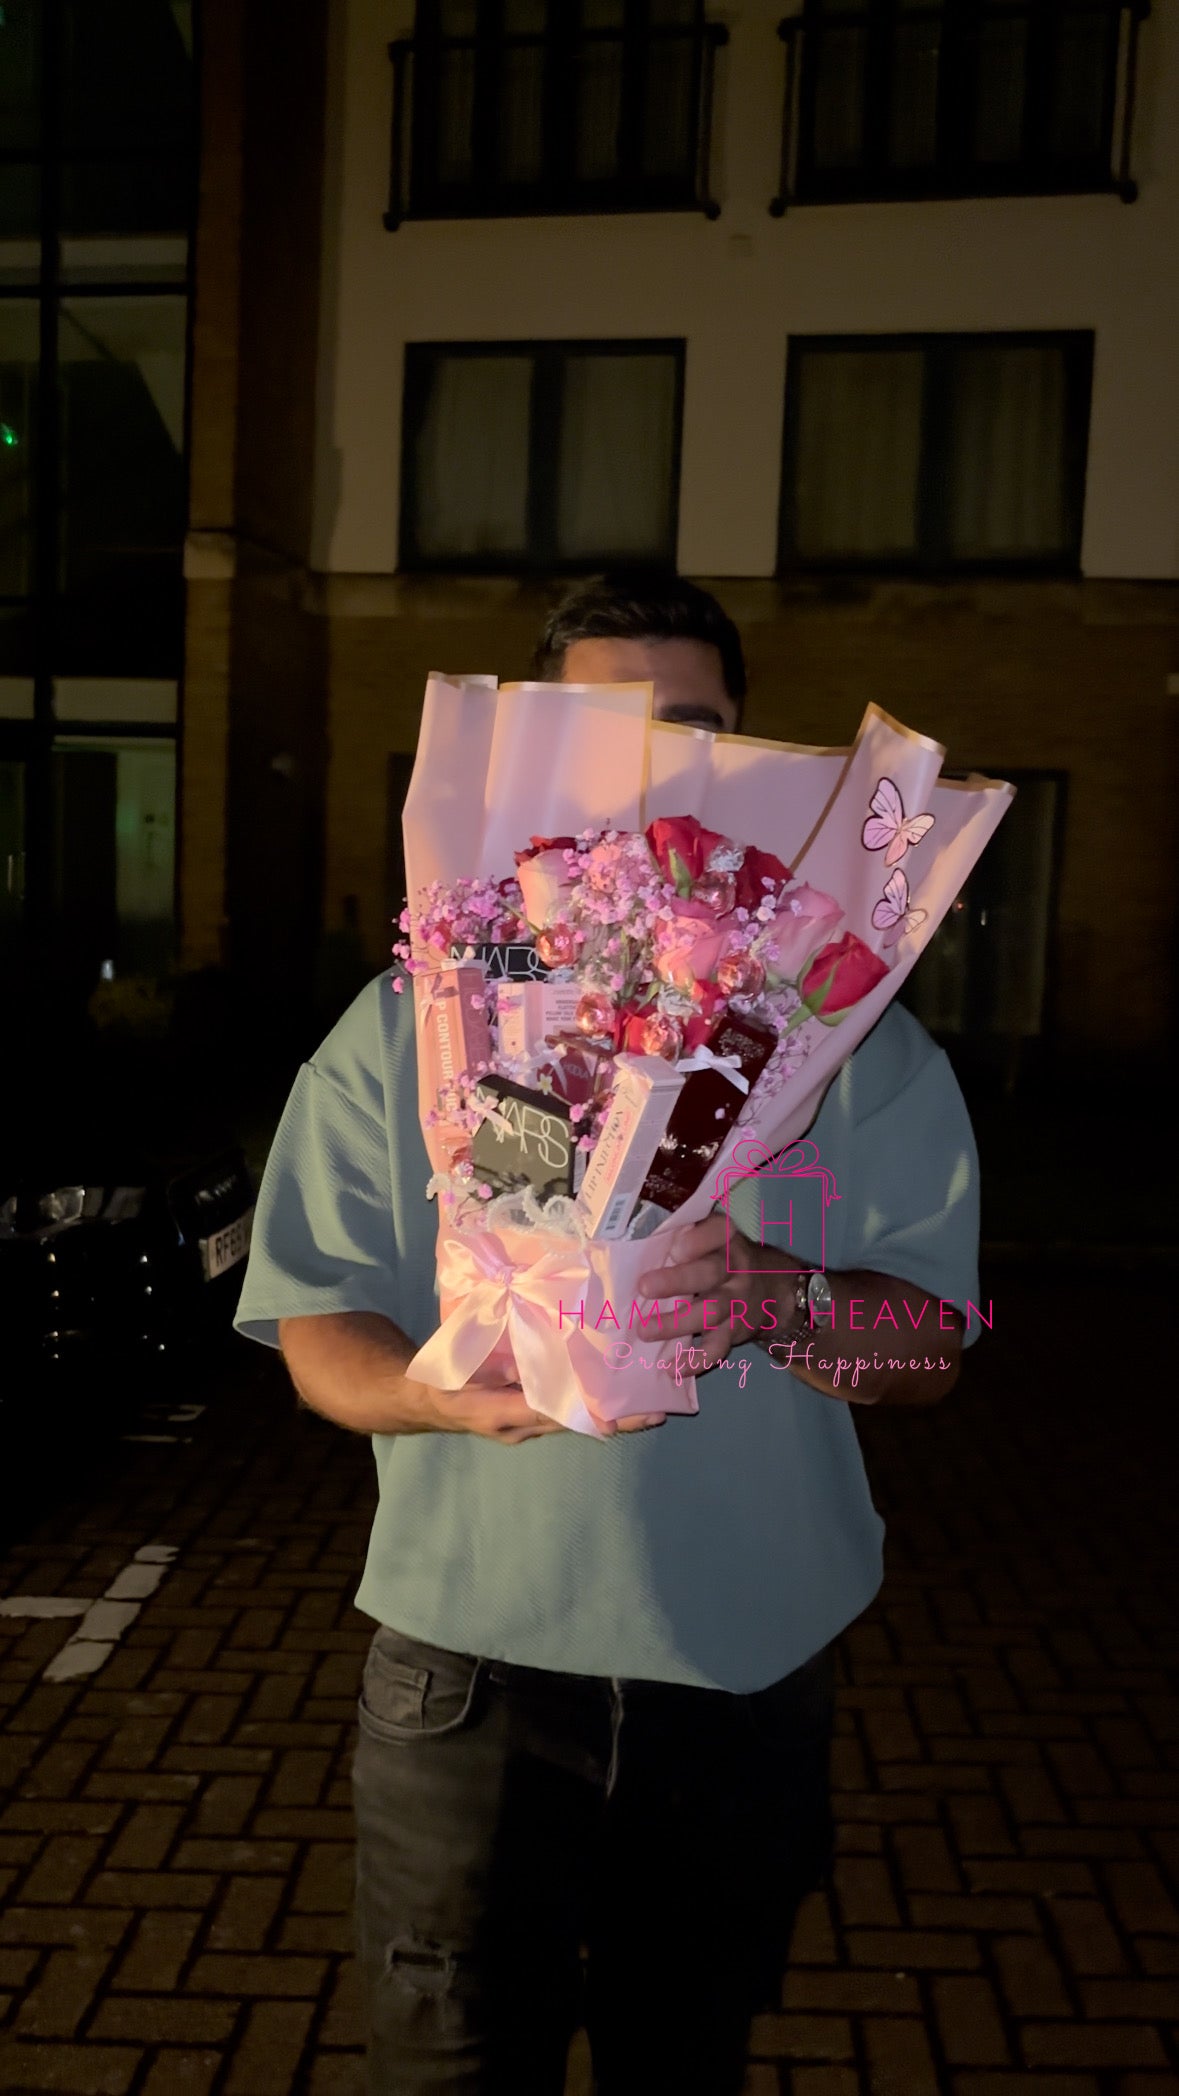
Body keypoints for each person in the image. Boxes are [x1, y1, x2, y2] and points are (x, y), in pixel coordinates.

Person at [234, 571, 981, 2096]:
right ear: (531, 753)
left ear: (747, 753)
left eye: (691, 730)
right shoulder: (417, 1017)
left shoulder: (851, 1034)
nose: (651, 770)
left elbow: (930, 1356)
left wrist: (774, 1296)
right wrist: (446, 1401)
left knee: (681, 2067)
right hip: (471, 1675)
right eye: (605, 731)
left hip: (745, 1665)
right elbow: (317, 1328)